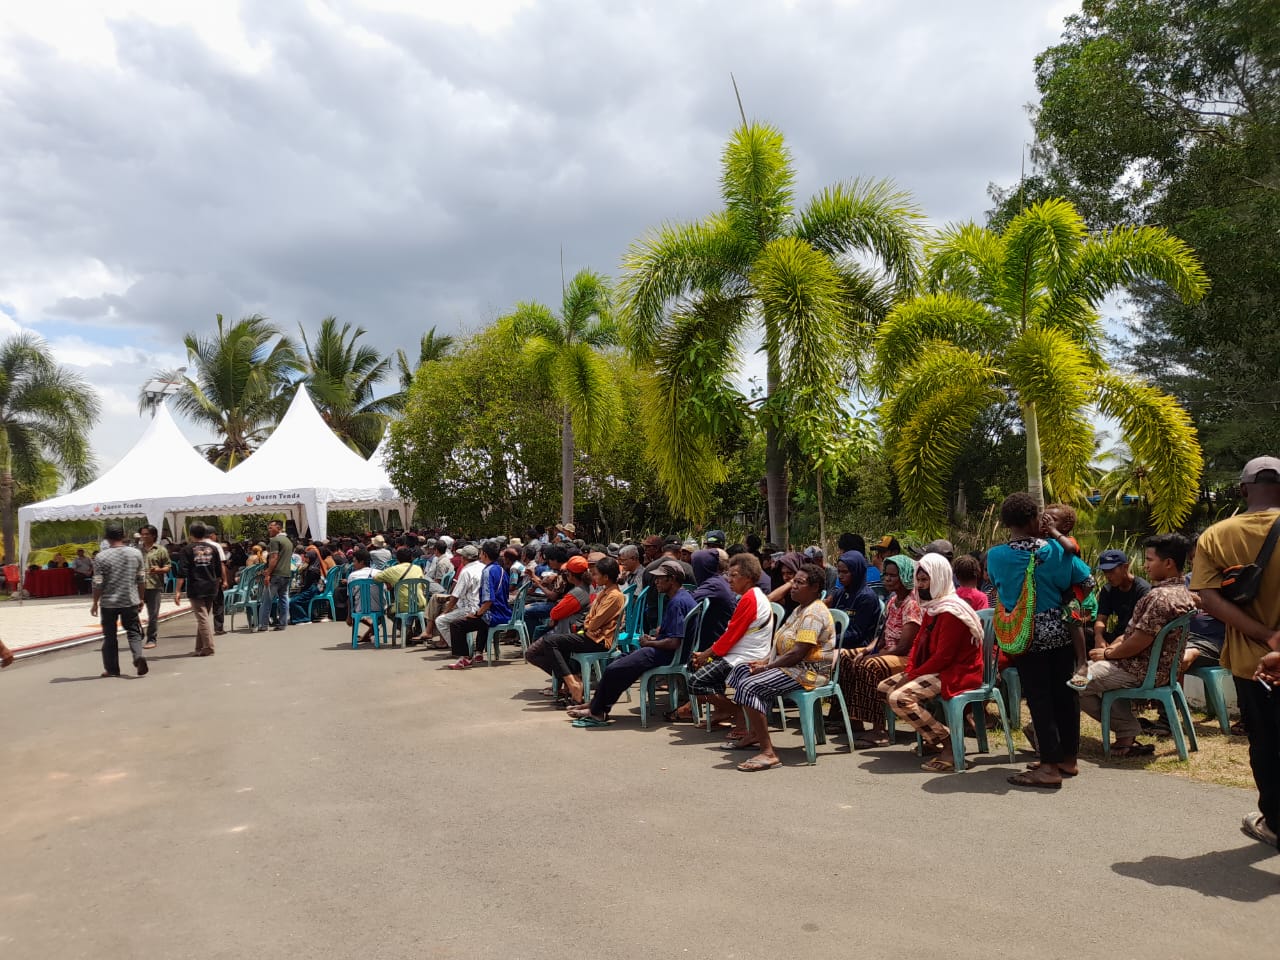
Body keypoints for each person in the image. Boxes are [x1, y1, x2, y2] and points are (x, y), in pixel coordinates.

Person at [1191, 457, 1280, 849]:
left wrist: (1267, 635)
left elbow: (1208, 599)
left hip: (1252, 665)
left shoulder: (1216, 536)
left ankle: (1274, 822)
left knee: (1265, 746)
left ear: (1243, 490)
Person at [986, 493, 1094, 789]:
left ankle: (1048, 767)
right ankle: (1067, 759)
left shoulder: (995, 556)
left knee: (1039, 699)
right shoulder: (1058, 551)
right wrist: (1063, 599)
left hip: (1026, 636)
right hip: (1060, 633)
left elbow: (997, 588)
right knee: (1065, 695)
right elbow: (1087, 582)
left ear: (1007, 523)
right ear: (1035, 518)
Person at [1078, 533, 1197, 757]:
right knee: (1085, 678)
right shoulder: (1183, 592)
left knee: (1074, 683)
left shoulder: (1158, 597)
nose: (1146, 565)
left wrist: (1108, 654)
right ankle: (1126, 732)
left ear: (1168, 563)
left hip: (1138, 668)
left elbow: (1138, 641)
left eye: (1150, 560)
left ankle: (1043, 736)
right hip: (1157, 668)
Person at [719, 563, 835, 771]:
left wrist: (768, 667)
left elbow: (798, 653)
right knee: (740, 671)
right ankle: (755, 732)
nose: (793, 587)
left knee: (750, 685)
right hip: (791, 667)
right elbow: (783, 645)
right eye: (793, 582)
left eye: (800, 583)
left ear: (815, 587)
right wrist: (764, 662)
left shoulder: (814, 613)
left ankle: (768, 753)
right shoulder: (800, 609)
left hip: (808, 672)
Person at [878, 553, 984, 771]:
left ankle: (949, 744)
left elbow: (944, 657)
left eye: (925, 580)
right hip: (936, 668)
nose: (920, 585)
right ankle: (932, 737)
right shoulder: (932, 606)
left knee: (900, 698)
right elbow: (918, 643)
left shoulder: (951, 611)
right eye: (918, 580)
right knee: (884, 688)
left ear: (939, 579)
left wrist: (911, 676)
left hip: (957, 671)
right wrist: (910, 671)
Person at [567, 560, 695, 728]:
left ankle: (597, 712)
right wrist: (654, 639)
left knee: (615, 669)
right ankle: (596, 705)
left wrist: (650, 643)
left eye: (660, 578)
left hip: (668, 654)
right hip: (665, 651)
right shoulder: (682, 597)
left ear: (671, 579)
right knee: (621, 661)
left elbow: (673, 642)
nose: (656, 582)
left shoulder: (678, 602)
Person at [838, 554, 921, 748]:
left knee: (870, 665)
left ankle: (879, 730)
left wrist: (876, 655)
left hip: (905, 657)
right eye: (886, 575)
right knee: (846, 658)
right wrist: (868, 649)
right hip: (887, 650)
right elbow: (882, 633)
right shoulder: (893, 601)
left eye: (894, 575)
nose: (887, 579)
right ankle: (855, 718)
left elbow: (904, 646)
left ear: (906, 576)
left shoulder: (912, 604)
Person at [686, 553, 773, 735]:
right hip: (735, 652)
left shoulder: (751, 599)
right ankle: (722, 712)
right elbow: (730, 634)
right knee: (693, 666)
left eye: (734, 576)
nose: (729, 580)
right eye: (729, 575)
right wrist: (706, 654)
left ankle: (737, 714)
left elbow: (731, 636)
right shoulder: (746, 597)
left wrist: (706, 654)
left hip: (746, 656)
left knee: (696, 681)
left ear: (748, 578)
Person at [526, 556, 626, 704]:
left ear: (606, 577)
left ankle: (573, 683)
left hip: (598, 639)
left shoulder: (613, 596)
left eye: (596, 574)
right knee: (553, 643)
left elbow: (593, 623)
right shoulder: (603, 592)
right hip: (589, 634)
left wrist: (588, 623)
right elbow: (590, 617)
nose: (594, 577)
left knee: (549, 641)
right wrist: (588, 622)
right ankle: (572, 682)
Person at [91, 523, 148, 678]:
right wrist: (141, 597)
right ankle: (137, 657)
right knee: (133, 631)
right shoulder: (135, 554)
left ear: (107, 538)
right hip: (130, 599)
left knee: (110, 636)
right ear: (123, 536)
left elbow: (97, 582)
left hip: (109, 603)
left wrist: (95, 602)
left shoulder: (101, 557)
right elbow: (141, 578)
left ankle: (112, 669)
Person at [445, 541, 510, 668]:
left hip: (493, 614)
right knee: (479, 618)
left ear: (484, 554)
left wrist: (476, 613)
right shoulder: (501, 570)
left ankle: (464, 657)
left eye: (481, 552)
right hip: (505, 612)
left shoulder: (487, 572)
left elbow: (488, 600)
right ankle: (478, 652)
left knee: (457, 625)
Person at [174, 522, 226, 657]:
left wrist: (178, 591)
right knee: (203, 617)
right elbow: (219, 569)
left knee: (202, 618)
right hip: (211, 585)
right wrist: (220, 582)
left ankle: (208, 646)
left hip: (196, 587)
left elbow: (182, 572)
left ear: (191, 534)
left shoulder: (187, 550)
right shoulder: (213, 548)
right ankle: (199, 647)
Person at [435, 545, 484, 661]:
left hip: (471, 608)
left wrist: (445, 612)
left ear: (464, 558)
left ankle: (460, 650)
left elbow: (455, 596)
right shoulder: (484, 567)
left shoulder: (466, 571)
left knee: (440, 620)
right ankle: (465, 649)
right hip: (483, 607)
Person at [1094, 549, 1151, 648]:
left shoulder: (1143, 590)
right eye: (1105, 572)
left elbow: (1142, 630)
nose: (1107, 576)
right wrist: (1098, 637)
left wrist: (1111, 650)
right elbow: (1101, 619)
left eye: (1111, 571)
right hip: (1117, 635)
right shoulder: (1108, 589)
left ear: (1125, 567)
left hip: (1134, 637)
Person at [826, 550, 881, 648]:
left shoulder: (866, 597)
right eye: (839, 571)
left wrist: (829, 640)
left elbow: (857, 633)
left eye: (845, 572)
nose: (840, 576)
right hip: (838, 641)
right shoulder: (840, 593)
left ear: (857, 572)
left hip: (858, 645)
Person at [374, 545, 428, 643]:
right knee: (415, 609)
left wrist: (388, 581)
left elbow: (376, 577)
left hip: (402, 606)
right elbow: (423, 586)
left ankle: (405, 629)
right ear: (411, 557)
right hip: (420, 603)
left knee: (389, 611)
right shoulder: (417, 568)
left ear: (397, 558)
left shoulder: (393, 570)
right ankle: (415, 631)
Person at [257, 520, 293, 632]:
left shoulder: (274, 540)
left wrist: (268, 573)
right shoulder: (288, 541)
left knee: (267, 600)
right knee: (283, 598)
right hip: (286, 574)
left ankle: (263, 625)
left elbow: (274, 558)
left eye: (271, 527)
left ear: (278, 528)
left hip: (276, 574)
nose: (269, 530)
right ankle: (283, 623)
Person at [138, 525, 170, 649]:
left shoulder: (161, 550)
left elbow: (168, 567)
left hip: (154, 586)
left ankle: (151, 639)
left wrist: (159, 570)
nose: (144, 536)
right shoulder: (136, 551)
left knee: (153, 615)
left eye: (147, 534)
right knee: (132, 613)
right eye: (142, 534)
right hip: (137, 586)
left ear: (153, 536)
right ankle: (138, 632)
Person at [345, 548, 386, 642]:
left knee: (354, 608)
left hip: (360, 609)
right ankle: (372, 629)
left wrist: (348, 616)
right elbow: (384, 590)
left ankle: (369, 632)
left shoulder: (352, 576)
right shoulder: (379, 573)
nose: (353, 564)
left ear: (361, 562)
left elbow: (350, 598)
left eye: (354, 561)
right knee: (378, 613)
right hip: (379, 608)